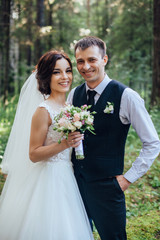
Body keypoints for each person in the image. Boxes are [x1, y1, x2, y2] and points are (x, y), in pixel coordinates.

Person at [67, 36, 160, 240]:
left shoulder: (127, 96)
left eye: (92, 60)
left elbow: (152, 143)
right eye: (80, 61)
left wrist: (128, 179)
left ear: (104, 60)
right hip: (75, 183)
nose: (86, 66)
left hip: (107, 187)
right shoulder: (74, 94)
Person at [0, 50, 94, 240]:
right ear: (45, 77)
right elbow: (34, 154)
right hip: (47, 179)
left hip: (67, 176)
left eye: (68, 71)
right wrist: (65, 143)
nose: (65, 77)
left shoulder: (70, 108)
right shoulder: (43, 111)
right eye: (56, 72)